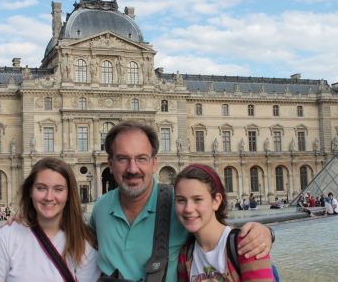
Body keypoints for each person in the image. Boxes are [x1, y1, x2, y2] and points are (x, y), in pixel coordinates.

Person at [88, 120, 273, 281]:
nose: (132, 168)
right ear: (110, 164)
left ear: (154, 163)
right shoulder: (101, 208)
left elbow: (217, 233)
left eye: (141, 158)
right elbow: (77, 249)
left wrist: (265, 233)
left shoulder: (179, 204)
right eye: (122, 159)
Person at [0, 157, 101, 281]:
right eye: (41, 188)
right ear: (30, 191)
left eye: (58, 189)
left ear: (69, 194)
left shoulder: (84, 243)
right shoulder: (6, 237)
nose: (49, 197)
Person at [175, 165, 274, 281]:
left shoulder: (248, 244)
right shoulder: (185, 254)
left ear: (216, 201)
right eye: (181, 200)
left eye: (198, 199)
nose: (188, 209)